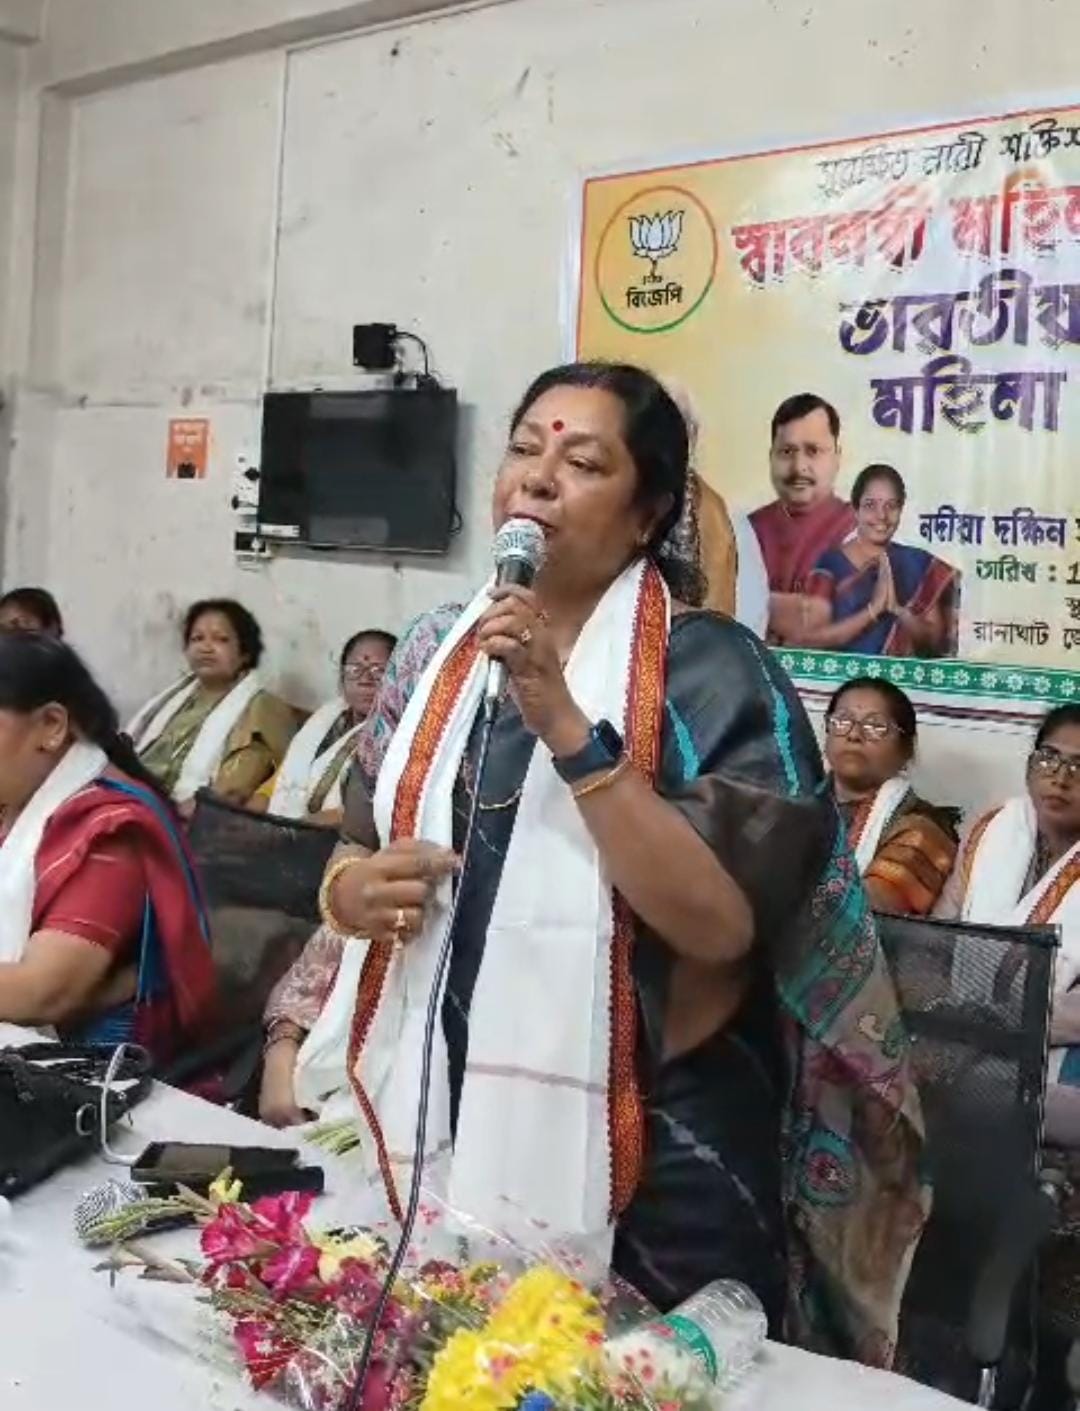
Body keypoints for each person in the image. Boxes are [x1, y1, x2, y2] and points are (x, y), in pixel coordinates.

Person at [261, 361, 927, 1365]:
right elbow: (359, 842)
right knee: (446, 1365)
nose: (536, 478)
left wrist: (566, 723)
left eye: (581, 462)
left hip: (658, 1142)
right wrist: (349, 893)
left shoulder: (716, 670)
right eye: (524, 449)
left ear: (649, 512)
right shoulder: (435, 653)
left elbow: (719, 928)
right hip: (445, 1092)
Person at [0, 632, 216, 1060]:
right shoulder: (19, 797)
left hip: (88, 1068)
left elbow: (42, 992)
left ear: (52, 725)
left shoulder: (111, 831)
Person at [936, 705, 1080, 1146]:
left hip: (1058, 1047)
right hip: (964, 1027)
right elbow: (938, 936)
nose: (1061, 778)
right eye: (1049, 758)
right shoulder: (993, 829)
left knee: (982, 1094)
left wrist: (996, 1025)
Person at [128, 599, 297, 814]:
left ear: (245, 652)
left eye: (221, 639)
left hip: (185, 816)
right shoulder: (174, 698)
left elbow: (232, 791)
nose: (206, 648)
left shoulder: (262, 708)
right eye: (197, 638)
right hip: (134, 798)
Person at [825, 678, 958, 915]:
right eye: (842, 721)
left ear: (906, 748)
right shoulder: (790, 801)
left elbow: (875, 905)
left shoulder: (923, 828)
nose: (854, 734)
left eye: (875, 726)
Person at [802, 465, 959, 657]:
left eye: (891, 506)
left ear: (901, 510)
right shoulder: (830, 564)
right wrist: (873, 611)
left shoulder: (917, 563)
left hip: (899, 676)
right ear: (855, 509)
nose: (882, 516)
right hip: (842, 675)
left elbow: (934, 642)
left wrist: (898, 610)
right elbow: (813, 640)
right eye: (870, 505)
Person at [252, 629, 397, 826]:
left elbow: (367, 812)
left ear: (399, 679)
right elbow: (277, 785)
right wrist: (245, 820)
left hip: (337, 838)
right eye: (355, 670)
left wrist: (292, 832)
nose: (365, 680)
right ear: (342, 678)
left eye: (379, 671)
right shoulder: (327, 717)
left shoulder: (397, 737)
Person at [749, 394, 856, 644]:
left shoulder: (858, 529)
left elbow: (836, 619)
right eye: (787, 452)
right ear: (771, 456)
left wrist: (751, 606)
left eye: (813, 451)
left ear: (837, 457)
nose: (799, 467)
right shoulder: (745, 529)